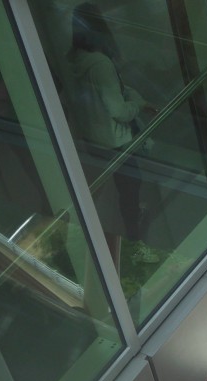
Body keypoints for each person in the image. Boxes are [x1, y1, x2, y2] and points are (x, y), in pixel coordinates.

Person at [67, 2, 156, 266]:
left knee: (107, 184)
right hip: (116, 140)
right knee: (130, 186)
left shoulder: (73, 58)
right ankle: (135, 241)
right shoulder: (100, 63)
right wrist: (138, 105)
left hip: (91, 136)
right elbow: (118, 110)